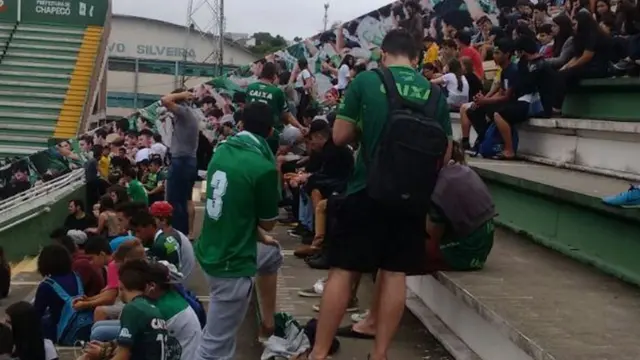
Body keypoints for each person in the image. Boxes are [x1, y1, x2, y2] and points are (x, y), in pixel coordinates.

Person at [309, 29, 452, 360]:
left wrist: (369, 130)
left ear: (384, 54)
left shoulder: (366, 82)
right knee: (394, 273)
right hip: (411, 198)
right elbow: (443, 155)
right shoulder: (434, 94)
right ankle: (381, 353)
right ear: (416, 59)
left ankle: (318, 353)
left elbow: (341, 135)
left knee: (343, 270)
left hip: (367, 189)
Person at [195, 102, 284, 360]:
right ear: (270, 132)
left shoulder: (221, 150)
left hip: (211, 245)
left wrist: (259, 235)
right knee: (214, 349)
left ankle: (268, 323)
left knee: (272, 255)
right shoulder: (263, 167)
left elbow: (234, 204)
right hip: (231, 262)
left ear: (241, 125)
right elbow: (268, 221)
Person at [81, 260, 180, 360]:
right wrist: (108, 346)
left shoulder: (132, 309)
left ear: (121, 287)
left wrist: (100, 355)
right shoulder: (151, 308)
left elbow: (123, 356)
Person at [161, 90, 201, 235]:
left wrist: (181, 94)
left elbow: (165, 100)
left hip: (181, 162)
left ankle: (176, 233)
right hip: (189, 161)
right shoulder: (190, 115)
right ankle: (186, 233)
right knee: (186, 200)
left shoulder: (184, 113)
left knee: (175, 201)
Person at [245, 61, 307, 154]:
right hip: (271, 132)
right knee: (300, 137)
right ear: (274, 76)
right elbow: (287, 115)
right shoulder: (276, 92)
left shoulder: (250, 87)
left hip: (250, 130)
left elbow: (246, 109)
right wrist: (300, 126)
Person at [33, 244, 84, 342]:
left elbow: (36, 314)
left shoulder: (47, 285)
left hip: (61, 331)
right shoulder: (76, 277)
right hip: (81, 324)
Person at [149, 201, 196, 284]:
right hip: (183, 275)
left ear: (163, 220)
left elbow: (174, 269)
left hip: (179, 281)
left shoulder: (168, 240)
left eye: (152, 219)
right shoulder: (170, 233)